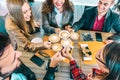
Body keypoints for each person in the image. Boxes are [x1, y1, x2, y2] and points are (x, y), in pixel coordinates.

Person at [44, 42, 120, 80]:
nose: (97, 52)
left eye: (99, 55)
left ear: (107, 68)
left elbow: (79, 77)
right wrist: (71, 58)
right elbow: (80, 77)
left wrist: (52, 67)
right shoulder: (107, 73)